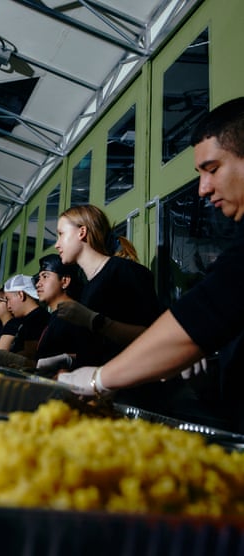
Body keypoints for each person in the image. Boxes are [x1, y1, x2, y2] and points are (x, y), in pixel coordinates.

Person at [57, 97, 244, 433]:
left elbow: (200, 317)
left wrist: (100, 378)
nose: (203, 189)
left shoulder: (125, 273)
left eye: (212, 169)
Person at [55, 204, 162, 361]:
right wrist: (69, 361)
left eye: (61, 234)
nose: (57, 244)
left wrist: (95, 321)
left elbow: (154, 336)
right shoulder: (87, 289)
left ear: (82, 232)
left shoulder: (126, 272)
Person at [33, 254, 103, 376]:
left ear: (64, 281)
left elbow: (90, 357)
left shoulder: (76, 316)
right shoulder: (55, 317)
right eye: (39, 278)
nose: (38, 284)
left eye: (45, 276)